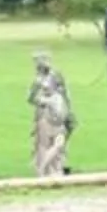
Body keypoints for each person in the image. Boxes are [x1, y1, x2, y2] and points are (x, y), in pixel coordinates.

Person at [29, 52, 75, 180]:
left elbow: (65, 93)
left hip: (58, 113)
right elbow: (31, 98)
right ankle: (45, 171)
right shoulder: (38, 81)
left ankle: (50, 169)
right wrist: (43, 101)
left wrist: (69, 110)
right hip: (45, 115)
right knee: (45, 144)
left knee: (58, 143)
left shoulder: (56, 76)